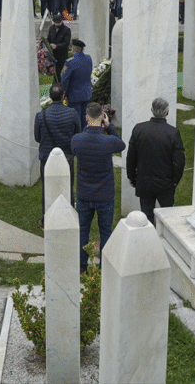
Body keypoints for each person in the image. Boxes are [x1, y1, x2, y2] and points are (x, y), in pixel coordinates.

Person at [72, 102, 125, 273]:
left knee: (83, 231)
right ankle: (105, 267)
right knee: (105, 232)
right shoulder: (108, 141)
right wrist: (109, 127)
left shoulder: (78, 140)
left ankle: (81, 265)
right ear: (103, 118)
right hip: (104, 194)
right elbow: (121, 144)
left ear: (86, 118)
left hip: (85, 194)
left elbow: (75, 146)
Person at [126, 98, 186, 225]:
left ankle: (148, 241)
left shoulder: (139, 129)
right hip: (166, 182)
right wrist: (175, 181)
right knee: (167, 218)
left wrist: (132, 176)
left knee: (146, 217)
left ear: (152, 110)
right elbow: (179, 161)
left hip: (145, 180)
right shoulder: (173, 133)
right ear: (167, 112)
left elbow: (131, 156)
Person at [34, 82, 83, 219]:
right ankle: (68, 216)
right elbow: (77, 134)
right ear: (63, 96)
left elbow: (38, 138)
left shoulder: (41, 116)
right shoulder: (72, 113)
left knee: (47, 188)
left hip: (46, 156)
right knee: (68, 185)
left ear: (50, 96)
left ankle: (46, 218)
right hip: (67, 155)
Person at [61, 39, 93, 124]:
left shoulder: (70, 62)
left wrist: (64, 93)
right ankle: (86, 135)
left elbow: (65, 80)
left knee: (76, 119)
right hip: (86, 93)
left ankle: (78, 136)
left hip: (74, 95)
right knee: (85, 117)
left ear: (73, 49)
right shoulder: (88, 59)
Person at [46, 14, 72, 82]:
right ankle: (57, 85)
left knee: (57, 72)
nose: (57, 24)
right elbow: (48, 38)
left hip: (61, 55)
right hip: (53, 54)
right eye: (56, 23)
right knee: (55, 73)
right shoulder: (52, 28)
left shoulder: (66, 30)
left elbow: (66, 43)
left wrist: (57, 46)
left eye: (58, 22)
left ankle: (57, 86)